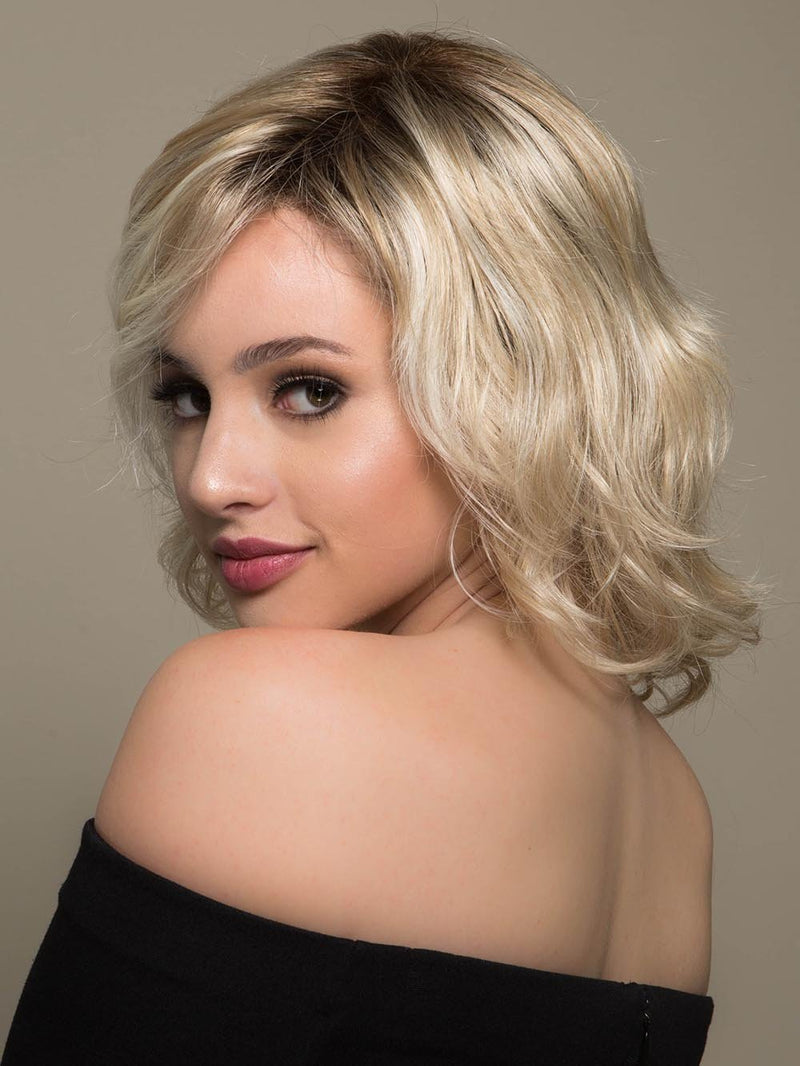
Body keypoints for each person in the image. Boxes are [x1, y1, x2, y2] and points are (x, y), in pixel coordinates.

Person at [2, 27, 767, 1066]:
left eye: (309, 390)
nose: (210, 478)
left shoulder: (256, 714)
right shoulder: (667, 808)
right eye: (186, 396)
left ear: (513, 388)